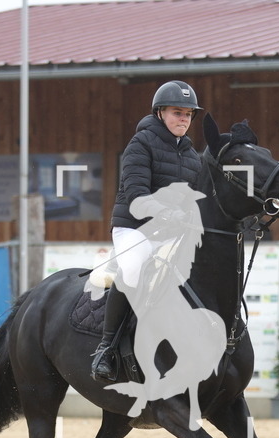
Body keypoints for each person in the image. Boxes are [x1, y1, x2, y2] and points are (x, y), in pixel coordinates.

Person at [91, 80, 203, 382]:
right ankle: (106, 348)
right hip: (135, 229)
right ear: (160, 113)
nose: (183, 119)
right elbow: (137, 196)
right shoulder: (140, 144)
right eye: (177, 112)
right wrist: (168, 213)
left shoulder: (194, 158)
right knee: (132, 271)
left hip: (171, 233)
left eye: (188, 114)